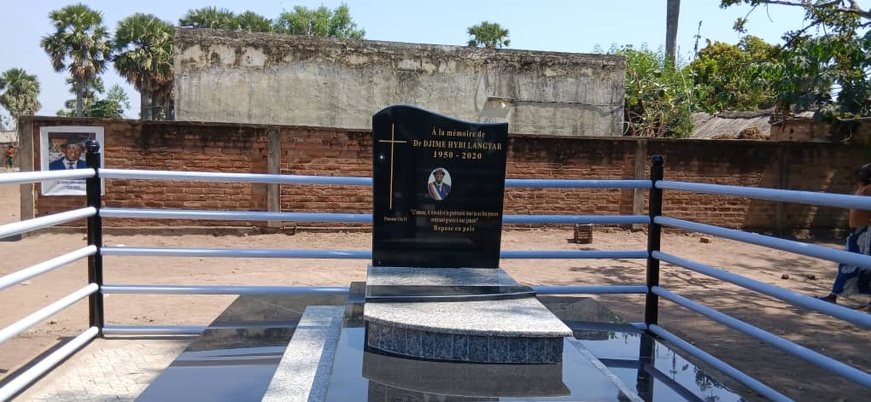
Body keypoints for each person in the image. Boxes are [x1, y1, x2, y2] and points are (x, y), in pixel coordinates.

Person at [817, 163, 871, 311]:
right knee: (849, 263)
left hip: (866, 233)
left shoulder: (868, 189)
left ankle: (833, 295)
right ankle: (833, 295)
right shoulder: (862, 189)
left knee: (860, 265)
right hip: (858, 232)